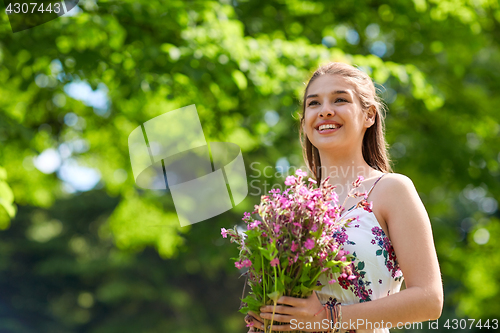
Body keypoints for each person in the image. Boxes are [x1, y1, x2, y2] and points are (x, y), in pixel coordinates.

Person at [244, 62, 443, 332]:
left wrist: (327, 319)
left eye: (339, 99)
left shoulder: (392, 190)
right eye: (313, 104)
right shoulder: (292, 208)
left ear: (369, 115)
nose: (325, 110)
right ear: (304, 123)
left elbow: (429, 300)